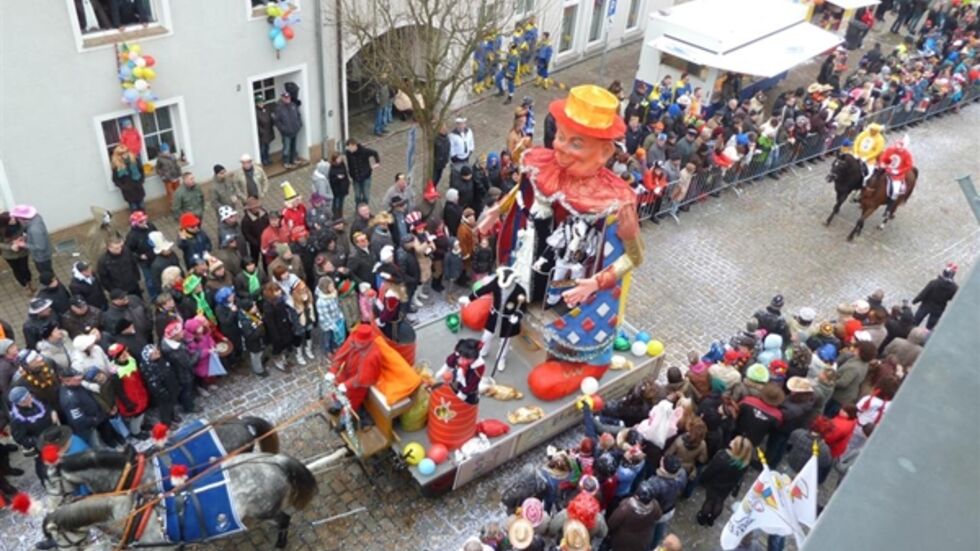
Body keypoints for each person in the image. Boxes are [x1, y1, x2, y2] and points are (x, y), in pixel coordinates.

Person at [696, 435, 753, 526]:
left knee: (709, 500)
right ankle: (711, 519)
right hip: (727, 486)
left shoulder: (722, 456)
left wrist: (702, 479)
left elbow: (711, 470)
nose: (731, 441)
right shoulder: (744, 463)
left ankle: (702, 517)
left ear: (736, 449)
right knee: (719, 501)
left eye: (734, 442)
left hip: (715, 483)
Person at [606, 479, 662, 551]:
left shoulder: (626, 508)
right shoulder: (655, 505)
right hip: (642, 540)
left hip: (623, 541)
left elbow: (612, 523)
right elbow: (658, 516)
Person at [159, 322, 199, 414]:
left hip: (178, 372)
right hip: (184, 375)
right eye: (180, 332)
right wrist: (198, 353)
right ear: (174, 336)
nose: (183, 333)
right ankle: (189, 407)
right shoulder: (176, 352)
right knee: (186, 391)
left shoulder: (168, 342)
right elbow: (188, 363)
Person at [10, 204, 54, 276]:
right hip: (44, 254)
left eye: (17, 218)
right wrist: (25, 237)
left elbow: (40, 247)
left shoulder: (35, 229)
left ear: (23, 218)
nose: (17, 220)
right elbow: (34, 235)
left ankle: (54, 285)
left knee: (47, 275)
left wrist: (23, 244)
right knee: (49, 273)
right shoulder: (36, 217)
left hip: (41, 257)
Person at [911, 263, 958, 329]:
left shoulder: (934, 283)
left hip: (926, 305)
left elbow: (923, 294)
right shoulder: (954, 288)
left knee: (915, 322)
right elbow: (951, 298)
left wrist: (915, 301)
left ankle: (910, 334)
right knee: (930, 327)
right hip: (939, 308)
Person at [0, 211, 34, 296]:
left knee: (25, 268)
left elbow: (27, 232)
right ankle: (25, 286)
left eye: (13, 217)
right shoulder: (1, 231)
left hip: (22, 251)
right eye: (11, 218)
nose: (14, 219)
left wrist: (23, 239)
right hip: (9, 255)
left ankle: (29, 283)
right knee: (17, 270)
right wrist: (10, 247)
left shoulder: (20, 224)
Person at [345, 139, 381, 206]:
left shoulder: (364, 151)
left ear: (354, 145)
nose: (349, 149)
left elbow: (374, 153)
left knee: (366, 196)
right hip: (355, 177)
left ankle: (365, 209)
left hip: (366, 176)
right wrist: (350, 174)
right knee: (357, 196)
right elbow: (349, 164)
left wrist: (377, 162)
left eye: (350, 147)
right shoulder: (348, 153)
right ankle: (358, 209)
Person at [273, 90, 303, 168]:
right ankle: (286, 162)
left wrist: (299, 125)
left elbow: (298, 115)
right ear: (282, 98)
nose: (287, 99)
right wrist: (283, 129)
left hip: (294, 130)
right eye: (286, 97)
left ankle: (293, 159)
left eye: (288, 97)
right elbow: (276, 121)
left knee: (293, 146)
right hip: (286, 132)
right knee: (287, 148)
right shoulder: (279, 108)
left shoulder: (293, 105)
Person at [110, 144, 145, 212]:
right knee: (134, 208)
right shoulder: (118, 166)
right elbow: (115, 179)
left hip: (138, 189)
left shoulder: (134, 161)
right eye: (122, 154)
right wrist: (123, 186)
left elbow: (141, 171)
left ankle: (144, 221)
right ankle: (136, 222)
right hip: (128, 192)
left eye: (126, 152)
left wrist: (141, 180)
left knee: (142, 206)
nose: (125, 155)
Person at [155, 142, 183, 208]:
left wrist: (179, 173)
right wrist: (163, 176)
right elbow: (158, 169)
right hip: (168, 179)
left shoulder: (173, 156)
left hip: (175, 177)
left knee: (178, 192)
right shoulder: (160, 159)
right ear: (162, 152)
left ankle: (181, 205)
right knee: (171, 194)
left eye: (167, 150)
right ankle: (174, 207)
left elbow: (177, 165)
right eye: (165, 151)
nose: (167, 152)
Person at [327, 152, 350, 217]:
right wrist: (337, 178)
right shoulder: (332, 168)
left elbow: (345, 174)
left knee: (341, 204)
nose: (340, 159)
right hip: (336, 190)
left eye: (340, 157)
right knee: (336, 204)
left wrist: (347, 183)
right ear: (335, 159)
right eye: (339, 158)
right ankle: (335, 216)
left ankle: (340, 215)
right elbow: (331, 180)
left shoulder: (342, 164)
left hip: (343, 188)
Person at [255, 95, 276, 166]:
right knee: (262, 148)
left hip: (269, 131)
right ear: (256, 104)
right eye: (259, 103)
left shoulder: (266, 109)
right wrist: (261, 132)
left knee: (267, 146)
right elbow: (257, 124)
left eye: (262, 103)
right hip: (263, 134)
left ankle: (268, 158)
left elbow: (270, 117)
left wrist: (272, 122)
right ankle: (263, 159)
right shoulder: (256, 112)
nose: (261, 104)